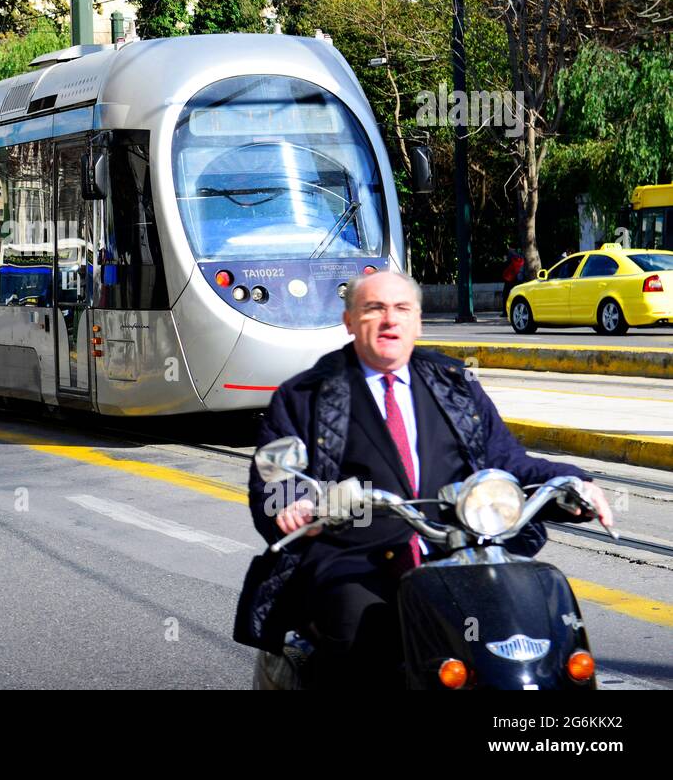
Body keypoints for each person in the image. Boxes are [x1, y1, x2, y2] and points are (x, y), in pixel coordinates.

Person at [233, 269, 612, 689]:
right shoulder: (306, 393)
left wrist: (576, 482)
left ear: (418, 321)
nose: (389, 320)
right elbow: (274, 482)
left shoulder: (455, 383)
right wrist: (294, 503)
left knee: (533, 623)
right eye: (374, 308)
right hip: (356, 557)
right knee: (357, 633)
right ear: (349, 321)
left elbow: (507, 460)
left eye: (401, 309)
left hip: (460, 553)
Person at [501, 250, 524, 316]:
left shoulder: (509, 254)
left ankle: (505, 312)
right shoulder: (520, 254)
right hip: (518, 279)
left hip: (509, 279)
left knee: (505, 295)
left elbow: (505, 265)